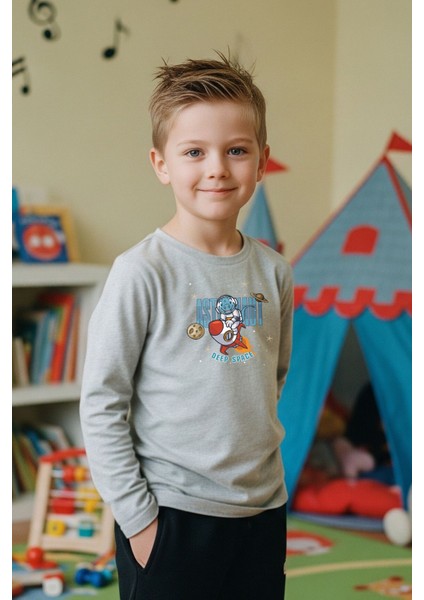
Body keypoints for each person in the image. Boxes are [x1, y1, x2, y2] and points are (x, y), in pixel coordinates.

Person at [80, 51, 293, 599]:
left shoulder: (274, 271)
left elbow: (272, 378)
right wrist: (139, 521)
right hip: (171, 517)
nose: (217, 167)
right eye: (194, 151)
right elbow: (102, 402)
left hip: (262, 512)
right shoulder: (141, 271)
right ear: (161, 164)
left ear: (262, 161)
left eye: (236, 150)